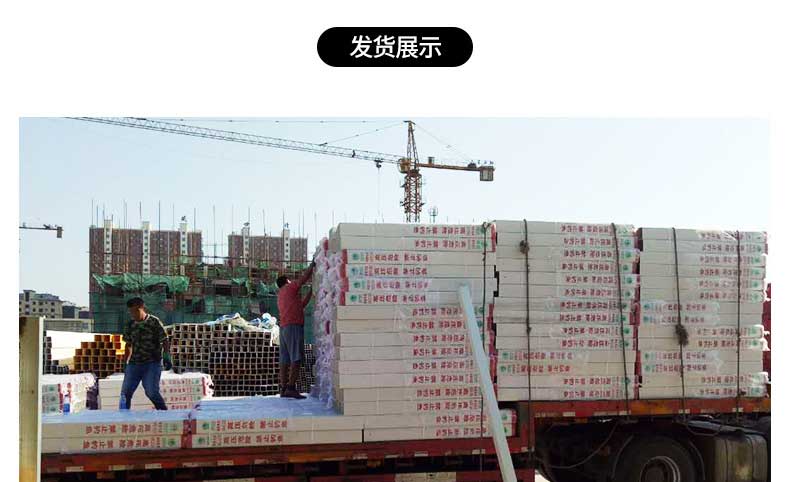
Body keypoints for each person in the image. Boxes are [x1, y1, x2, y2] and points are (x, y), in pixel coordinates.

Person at [120, 297, 172, 410]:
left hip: (152, 363)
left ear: (142, 308)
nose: (133, 314)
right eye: (131, 312)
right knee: (125, 393)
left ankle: (164, 413)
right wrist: (125, 362)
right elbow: (128, 344)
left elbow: (165, 339)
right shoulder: (130, 325)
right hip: (134, 363)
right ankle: (123, 415)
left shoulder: (154, 322)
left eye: (136, 311)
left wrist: (166, 356)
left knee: (151, 392)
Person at [276, 260, 316, 399]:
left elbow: (301, 305)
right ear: (286, 281)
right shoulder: (289, 287)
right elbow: (302, 279)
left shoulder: (281, 295)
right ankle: (291, 388)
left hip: (284, 328)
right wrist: (312, 266)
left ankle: (283, 388)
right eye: (289, 280)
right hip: (293, 326)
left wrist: (311, 291)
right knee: (296, 358)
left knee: (285, 359)